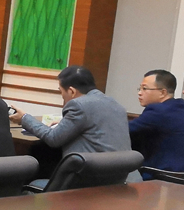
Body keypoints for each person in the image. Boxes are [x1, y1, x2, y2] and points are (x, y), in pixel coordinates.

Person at [8, 65, 136, 160]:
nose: (62, 96)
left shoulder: (78, 105)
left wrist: (24, 118)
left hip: (91, 178)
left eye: (61, 91)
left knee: (38, 155)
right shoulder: (116, 105)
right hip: (121, 175)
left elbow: (53, 138)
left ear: (72, 91)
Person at [130, 69, 184, 178]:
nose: (139, 93)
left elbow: (124, 132)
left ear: (162, 92)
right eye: (140, 88)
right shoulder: (181, 107)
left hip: (168, 178)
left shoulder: (159, 111)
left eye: (145, 88)